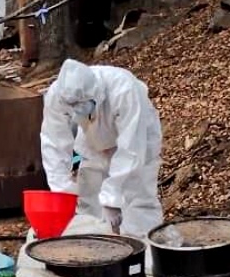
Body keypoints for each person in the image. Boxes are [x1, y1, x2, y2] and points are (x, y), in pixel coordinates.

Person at [40, 58, 163, 241]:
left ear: (96, 94)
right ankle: (94, 251)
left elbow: (131, 149)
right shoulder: (57, 95)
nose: (75, 111)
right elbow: (54, 141)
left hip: (138, 136)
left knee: (136, 199)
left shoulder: (124, 89)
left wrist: (112, 197)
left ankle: (143, 253)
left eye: (80, 105)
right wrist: (61, 191)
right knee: (90, 196)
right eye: (71, 108)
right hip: (93, 138)